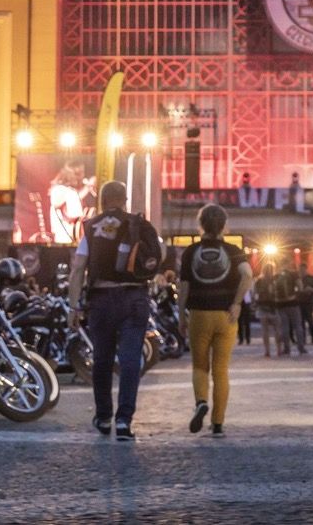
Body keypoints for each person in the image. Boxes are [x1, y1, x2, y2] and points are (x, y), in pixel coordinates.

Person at [68, 180, 160, 441]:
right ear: (125, 200)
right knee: (131, 359)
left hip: (101, 299)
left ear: (102, 201)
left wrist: (73, 306)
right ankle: (124, 420)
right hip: (134, 297)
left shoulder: (90, 227)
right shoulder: (139, 224)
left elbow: (78, 269)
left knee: (102, 359)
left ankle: (103, 416)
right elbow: (156, 255)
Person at [177, 203, 253, 439]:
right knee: (221, 370)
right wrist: (237, 303)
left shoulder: (191, 252)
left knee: (200, 365)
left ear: (201, 225)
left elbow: (184, 287)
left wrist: (181, 314)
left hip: (199, 313)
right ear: (224, 225)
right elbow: (248, 275)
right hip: (226, 316)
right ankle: (218, 423)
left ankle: (201, 401)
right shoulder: (233, 250)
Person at [274, 266, 307, 355]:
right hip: (293, 303)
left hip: (280, 304)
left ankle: (287, 348)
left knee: (285, 327)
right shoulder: (294, 274)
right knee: (297, 326)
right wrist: (297, 294)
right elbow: (300, 287)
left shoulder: (277, 275)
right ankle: (301, 347)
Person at [253, 261, 283, 357]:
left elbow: (255, 294)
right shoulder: (276, 279)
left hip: (262, 306)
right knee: (277, 329)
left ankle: (267, 351)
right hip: (274, 306)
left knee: (265, 330)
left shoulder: (258, 281)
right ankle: (279, 350)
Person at [298, 269, 313, 345]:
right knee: (301, 322)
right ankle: (303, 339)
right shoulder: (297, 278)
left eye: (303, 270)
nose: (302, 272)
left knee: (310, 321)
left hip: (309, 302)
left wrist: (310, 289)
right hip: (299, 303)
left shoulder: (312, 278)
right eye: (301, 270)